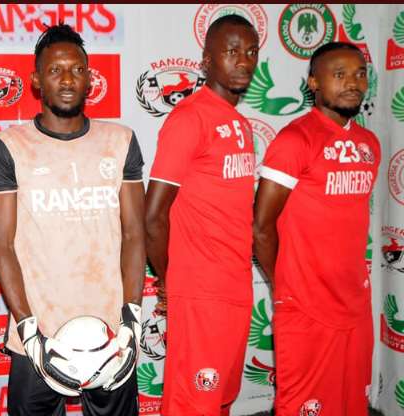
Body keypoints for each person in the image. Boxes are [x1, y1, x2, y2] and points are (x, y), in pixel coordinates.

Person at [0, 23, 146, 416]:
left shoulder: (120, 141)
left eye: (77, 69)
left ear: (90, 79)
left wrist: (132, 320)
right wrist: (28, 331)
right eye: (55, 70)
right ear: (37, 80)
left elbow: (134, 235)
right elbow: (0, 245)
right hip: (38, 335)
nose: (68, 79)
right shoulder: (8, 146)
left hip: (112, 335)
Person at [253, 42, 378, 415]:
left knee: (352, 404)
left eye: (359, 74)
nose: (352, 83)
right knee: (304, 407)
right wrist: (286, 286)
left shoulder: (368, 144)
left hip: (355, 303)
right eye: (339, 75)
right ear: (314, 83)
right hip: (306, 306)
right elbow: (261, 227)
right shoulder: (295, 140)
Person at [144, 14, 259, 416]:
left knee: (220, 400)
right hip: (200, 291)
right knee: (194, 404)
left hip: (235, 285)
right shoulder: (189, 118)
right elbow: (153, 214)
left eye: (251, 51)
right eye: (232, 51)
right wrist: (169, 278)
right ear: (207, 60)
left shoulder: (240, 123)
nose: (243, 60)